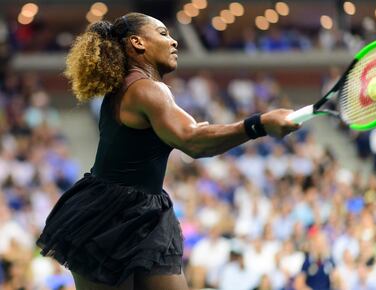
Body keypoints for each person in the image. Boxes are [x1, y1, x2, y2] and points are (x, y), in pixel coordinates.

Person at [36, 12, 299, 290]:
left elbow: (187, 132)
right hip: (106, 217)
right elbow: (193, 141)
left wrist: (198, 131)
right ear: (138, 43)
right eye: (163, 34)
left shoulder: (132, 87)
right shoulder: (146, 90)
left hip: (145, 213)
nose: (174, 42)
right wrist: (259, 123)